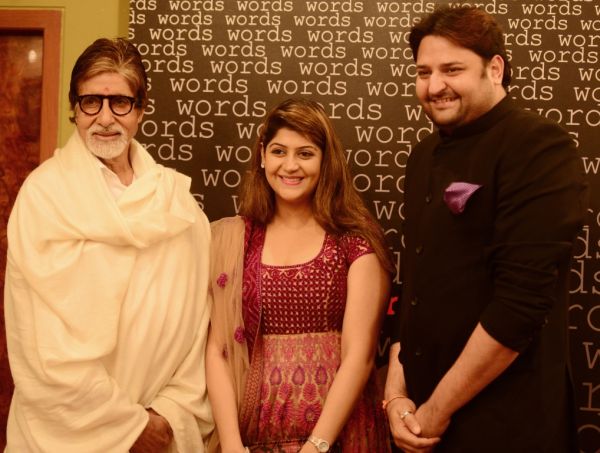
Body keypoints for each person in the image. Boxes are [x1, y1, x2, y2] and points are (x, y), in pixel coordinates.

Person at [383, 6, 588, 453]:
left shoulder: (539, 147)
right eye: (423, 72)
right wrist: (396, 393)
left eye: (451, 69)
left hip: (507, 425)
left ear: (495, 68)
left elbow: (519, 306)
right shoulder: (421, 157)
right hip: (420, 421)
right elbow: (412, 285)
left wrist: (434, 412)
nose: (434, 86)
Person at [4, 38, 213, 452]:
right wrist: (128, 428)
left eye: (119, 102)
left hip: (162, 426)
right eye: (90, 103)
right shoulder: (45, 197)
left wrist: (168, 415)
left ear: (140, 110)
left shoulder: (177, 203)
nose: (104, 119)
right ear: (73, 108)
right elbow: (39, 342)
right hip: (62, 433)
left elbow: (198, 327)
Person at [206, 98, 393, 452]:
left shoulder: (354, 241)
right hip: (253, 437)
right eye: (279, 151)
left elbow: (360, 355)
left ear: (325, 161)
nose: (290, 166)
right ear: (262, 155)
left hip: (339, 439)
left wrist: (316, 446)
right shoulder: (236, 240)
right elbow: (216, 351)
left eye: (305, 154)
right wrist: (231, 446)